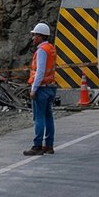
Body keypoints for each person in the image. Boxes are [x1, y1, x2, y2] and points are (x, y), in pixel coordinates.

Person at [25, 22, 57, 156]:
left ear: (40, 36)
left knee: (39, 118)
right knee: (48, 116)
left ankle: (37, 145)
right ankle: (49, 145)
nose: (33, 38)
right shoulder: (51, 48)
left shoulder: (42, 51)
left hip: (42, 88)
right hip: (50, 87)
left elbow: (40, 71)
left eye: (35, 35)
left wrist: (34, 89)